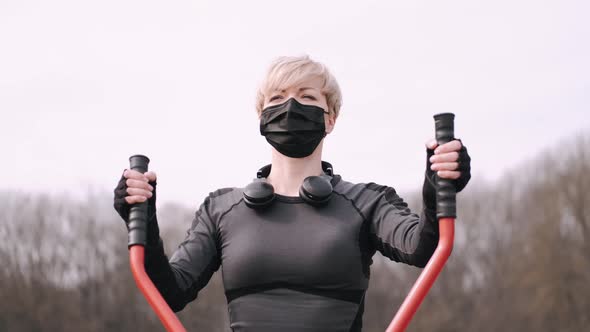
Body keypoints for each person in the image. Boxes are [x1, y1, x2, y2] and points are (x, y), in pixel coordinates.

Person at [114, 55, 471, 332]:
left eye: (306, 96)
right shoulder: (222, 209)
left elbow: (425, 245)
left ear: (330, 118)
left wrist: (439, 181)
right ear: (262, 116)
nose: (290, 106)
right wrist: (142, 218)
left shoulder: (367, 202)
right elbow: (168, 291)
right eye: (277, 97)